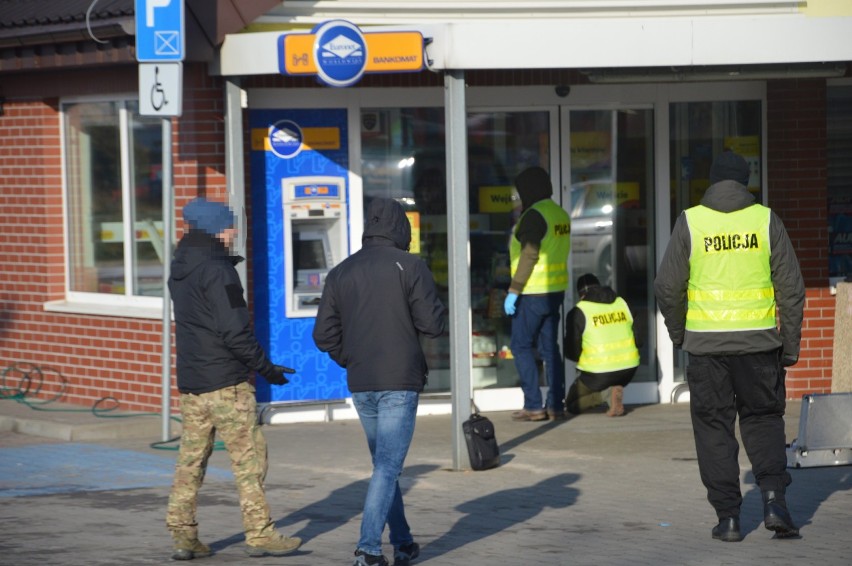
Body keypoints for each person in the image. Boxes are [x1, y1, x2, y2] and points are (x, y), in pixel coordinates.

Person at [654, 150, 805, 543]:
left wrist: (679, 335)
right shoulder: (766, 220)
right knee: (764, 420)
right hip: (759, 347)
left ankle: (730, 520)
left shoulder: (691, 221)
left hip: (706, 351)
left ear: (712, 180)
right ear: (744, 181)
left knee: (714, 429)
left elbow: (667, 287)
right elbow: (791, 289)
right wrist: (789, 347)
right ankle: (774, 501)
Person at [313, 197, 446, 566]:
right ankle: (369, 549)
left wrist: (350, 357)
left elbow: (323, 336)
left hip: (362, 382)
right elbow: (433, 325)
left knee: (384, 469)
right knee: (387, 468)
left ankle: (402, 542)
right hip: (399, 382)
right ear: (401, 227)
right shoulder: (411, 265)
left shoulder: (341, 272)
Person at [166, 197, 301, 560]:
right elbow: (235, 333)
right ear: (215, 229)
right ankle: (259, 534)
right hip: (226, 383)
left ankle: (183, 535)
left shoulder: (180, 265)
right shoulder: (219, 270)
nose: (233, 233)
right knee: (250, 460)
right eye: (229, 226)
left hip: (194, 382)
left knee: (190, 462)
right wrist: (266, 368)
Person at [504, 166, 571, 421]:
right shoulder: (560, 214)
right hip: (555, 292)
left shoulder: (534, 215)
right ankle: (555, 405)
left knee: (520, 346)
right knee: (549, 349)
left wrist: (514, 291)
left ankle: (533, 405)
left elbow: (530, 254)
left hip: (532, 292)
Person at [564, 273, 639, 417]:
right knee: (608, 381)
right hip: (628, 370)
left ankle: (606, 395)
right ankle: (612, 395)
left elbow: (572, 351)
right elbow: (639, 340)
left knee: (571, 405)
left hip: (596, 375)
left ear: (581, 295)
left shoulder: (579, 311)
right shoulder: (623, 304)